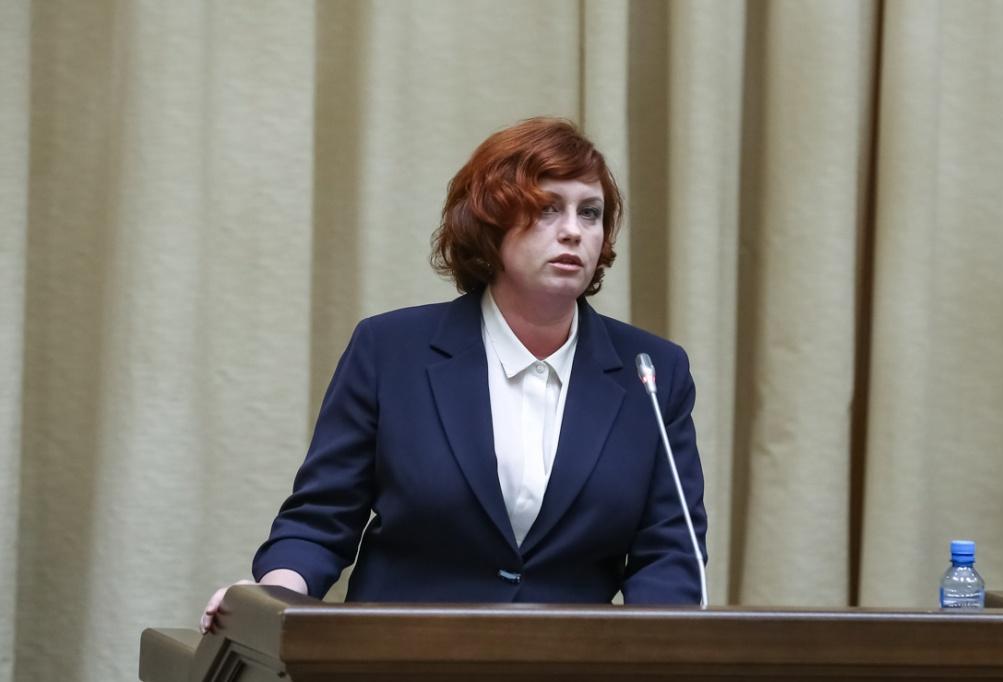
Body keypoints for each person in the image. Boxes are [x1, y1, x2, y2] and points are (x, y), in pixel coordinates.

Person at [200, 117, 707, 633]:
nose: (574, 230)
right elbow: (320, 521)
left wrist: (653, 648)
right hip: (399, 653)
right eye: (547, 208)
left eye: (590, 212)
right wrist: (270, 604)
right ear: (490, 221)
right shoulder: (390, 350)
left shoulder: (653, 372)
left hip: (569, 659)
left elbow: (671, 552)